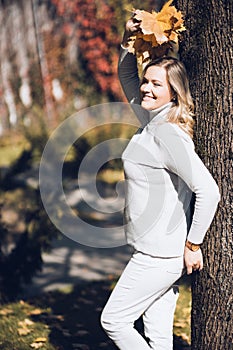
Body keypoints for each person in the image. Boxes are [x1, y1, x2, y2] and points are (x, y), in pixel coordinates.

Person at [101, 17, 220, 350]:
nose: (146, 89)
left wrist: (193, 245)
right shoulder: (152, 118)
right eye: (147, 81)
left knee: (114, 321)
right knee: (158, 336)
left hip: (159, 257)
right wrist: (127, 38)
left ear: (173, 92)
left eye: (156, 84)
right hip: (154, 251)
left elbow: (209, 191)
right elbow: (126, 75)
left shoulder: (167, 132)